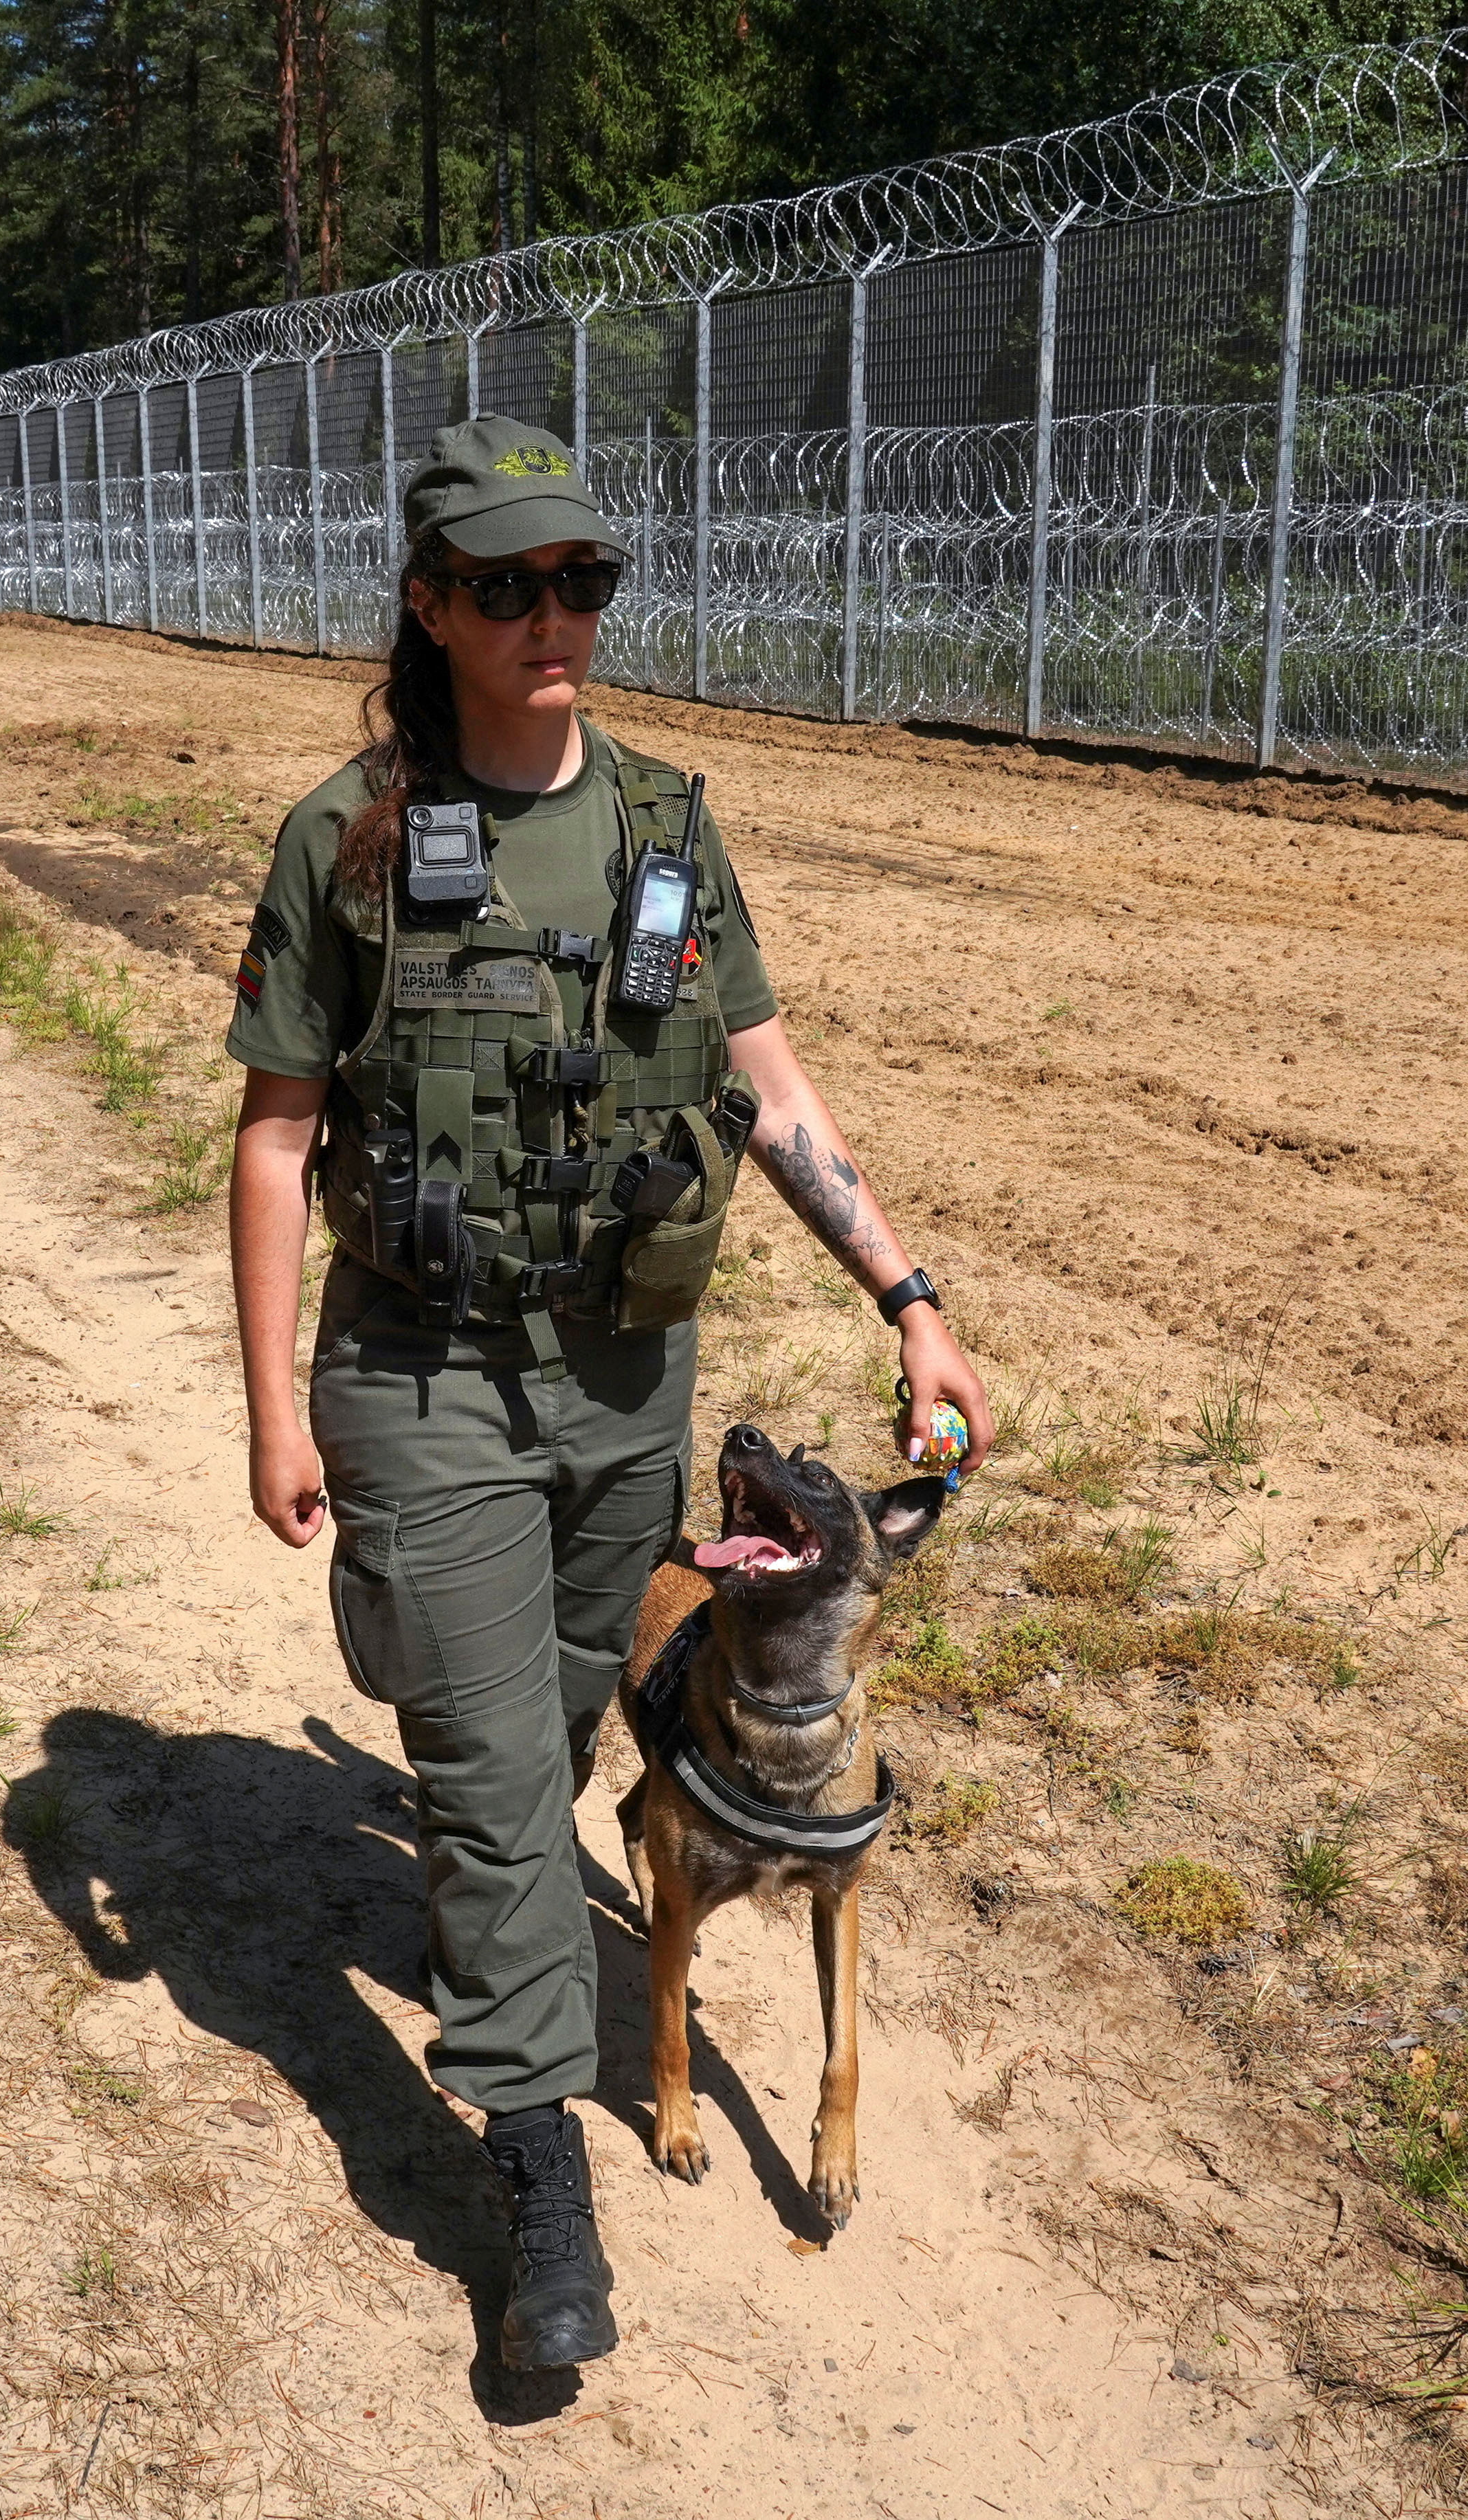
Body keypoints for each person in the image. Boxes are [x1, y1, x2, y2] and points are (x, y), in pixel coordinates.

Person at [224, 416, 995, 2370]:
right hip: (420, 1376)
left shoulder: (664, 825)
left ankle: (481, 1872)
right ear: (430, 603)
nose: (552, 614)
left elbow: (770, 1090)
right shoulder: (351, 835)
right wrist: (271, 1405)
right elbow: (274, 1135)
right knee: (493, 1795)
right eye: (507, 583)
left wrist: (903, 1291)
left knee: (563, 1721)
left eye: (581, 580)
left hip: (623, 1387)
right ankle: (536, 2175)